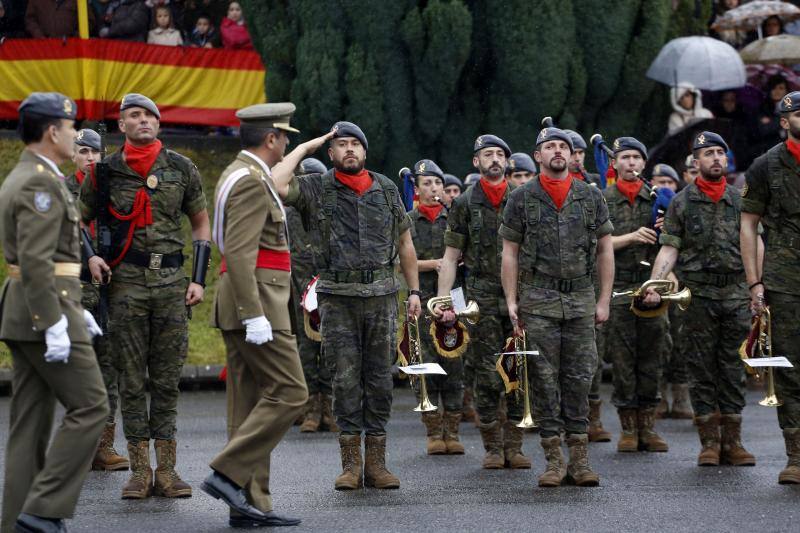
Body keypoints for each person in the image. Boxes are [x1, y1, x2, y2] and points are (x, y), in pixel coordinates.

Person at [200, 103, 329, 528]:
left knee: (248, 405)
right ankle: (227, 473)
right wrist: (253, 314)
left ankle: (250, 504)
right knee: (292, 393)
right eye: (285, 137)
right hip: (258, 304)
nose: (287, 143)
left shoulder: (240, 174)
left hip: (246, 302)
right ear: (271, 139)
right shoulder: (251, 182)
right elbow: (238, 251)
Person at [276, 121, 421, 491]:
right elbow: (275, 182)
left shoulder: (387, 189)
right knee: (344, 378)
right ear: (331, 153)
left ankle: (377, 463)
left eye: (356, 144)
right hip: (338, 300)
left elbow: (405, 244)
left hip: (382, 297)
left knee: (379, 379)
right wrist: (307, 145)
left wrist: (415, 292)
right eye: (341, 145)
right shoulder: (315, 188)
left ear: (365, 152)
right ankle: (350, 465)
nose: (349, 150)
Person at [79, 93, 211, 500]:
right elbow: (78, 219)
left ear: (159, 122)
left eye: (149, 115)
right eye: (134, 116)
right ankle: (139, 472)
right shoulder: (104, 172)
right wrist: (92, 258)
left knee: (167, 379)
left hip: (171, 283)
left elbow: (201, 224)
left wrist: (198, 279)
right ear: (122, 125)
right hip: (126, 285)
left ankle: (168, 472)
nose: (143, 121)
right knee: (132, 379)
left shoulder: (181, 168)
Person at [0, 92, 109, 533]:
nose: (73, 134)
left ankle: (15, 523)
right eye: (69, 128)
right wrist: (57, 322)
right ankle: (43, 509)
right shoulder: (41, 183)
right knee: (91, 406)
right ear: (52, 131)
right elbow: (36, 261)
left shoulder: (29, 174)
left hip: (30, 309)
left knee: (31, 421)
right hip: (43, 312)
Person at [500, 126, 614, 487]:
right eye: (549, 146)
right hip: (539, 300)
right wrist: (511, 300)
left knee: (581, 378)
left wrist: (604, 298)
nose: (557, 151)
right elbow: (510, 253)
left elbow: (605, 249)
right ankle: (553, 460)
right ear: (538, 156)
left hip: (580, 299)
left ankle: (580, 462)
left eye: (563, 146)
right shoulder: (521, 197)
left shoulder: (590, 196)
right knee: (544, 381)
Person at [648, 131, 755, 467]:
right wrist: (656, 282)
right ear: (695, 162)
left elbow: (756, 245)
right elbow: (670, 247)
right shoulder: (682, 202)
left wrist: (758, 287)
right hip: (698, 295)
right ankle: (709, 442)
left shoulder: (742, 201)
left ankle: (733, 441)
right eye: (707, 154)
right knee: (701, 367)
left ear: (726, 160)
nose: (715, 159)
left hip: (736, 293)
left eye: (719, 153)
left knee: (733, 367)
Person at [436, 134, 531, 470]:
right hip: (481, 297)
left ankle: (516, 445)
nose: (494, 159)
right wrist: (445, 299)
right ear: (476, 162)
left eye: (499, 154)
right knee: (486, 371)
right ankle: (492, 445)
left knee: (521, 368)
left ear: (508, 162)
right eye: (487, 154)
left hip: (522, 295)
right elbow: (450, 257)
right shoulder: (464, 203)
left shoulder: (525, 199)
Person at [741, 91, 800, 484]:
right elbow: (748, 224)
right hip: (785, 278)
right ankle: (795, 455)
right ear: (784, 121)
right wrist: (755, 282)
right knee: (791, 367)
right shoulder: (766, 165)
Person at [63, 129, 130, 472]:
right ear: (73, 154)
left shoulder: (111, 189)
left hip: (107, 288)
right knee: (77, 372)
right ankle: (77, 445)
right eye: (83, 151)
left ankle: (103, 446)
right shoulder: (62, 189)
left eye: (95, 152)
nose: (90, 157)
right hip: (74, 288)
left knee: (108, 368)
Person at [604, 137, 670, 454]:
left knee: (652, 357)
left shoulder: (657, 199)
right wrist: (629, 237)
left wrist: (665, 226)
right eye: (625, 158)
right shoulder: (602, 200)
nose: (631, 163)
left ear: (644, 164)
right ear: (614, 164)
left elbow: (671, 246)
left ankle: (649, 426)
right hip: (617, 286)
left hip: (652, 285)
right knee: (622, 359)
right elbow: (595, 245)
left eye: (636, 158)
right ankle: (628, 428)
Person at [408, 159, 465, 455]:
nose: (434, 189)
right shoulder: (406, 220)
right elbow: (397, 261)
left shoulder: (455, 218)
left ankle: (453, 432)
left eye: (438, 183)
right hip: (419, 300)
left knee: (454, 364)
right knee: (424, 367)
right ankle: (433, 431)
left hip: (453, 299)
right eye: (427, 184)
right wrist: (431, 264)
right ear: (416, 190)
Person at [291, 157, 337, 434]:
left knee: (331, 349)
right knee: (306, 351)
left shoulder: (332, 213)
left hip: (329, 290)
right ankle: (310, 409)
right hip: (298, 291)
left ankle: (330, 408)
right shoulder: (287, 212)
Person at [649, 163, 692, 421]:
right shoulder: (650, 206)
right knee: (657, 341)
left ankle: (682, 396)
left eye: (669, 182)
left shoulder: (684, 206)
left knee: (681, 339)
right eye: (659, 182)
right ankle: (659, 395)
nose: (664, 187)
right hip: (655, 278)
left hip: (686, 279)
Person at [756, 75, 790, 155]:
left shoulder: (793, 108)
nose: (777, 91)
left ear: (786, 91)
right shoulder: (762, 108)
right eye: (774, 88)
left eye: (781, 88)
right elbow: (764, 129)